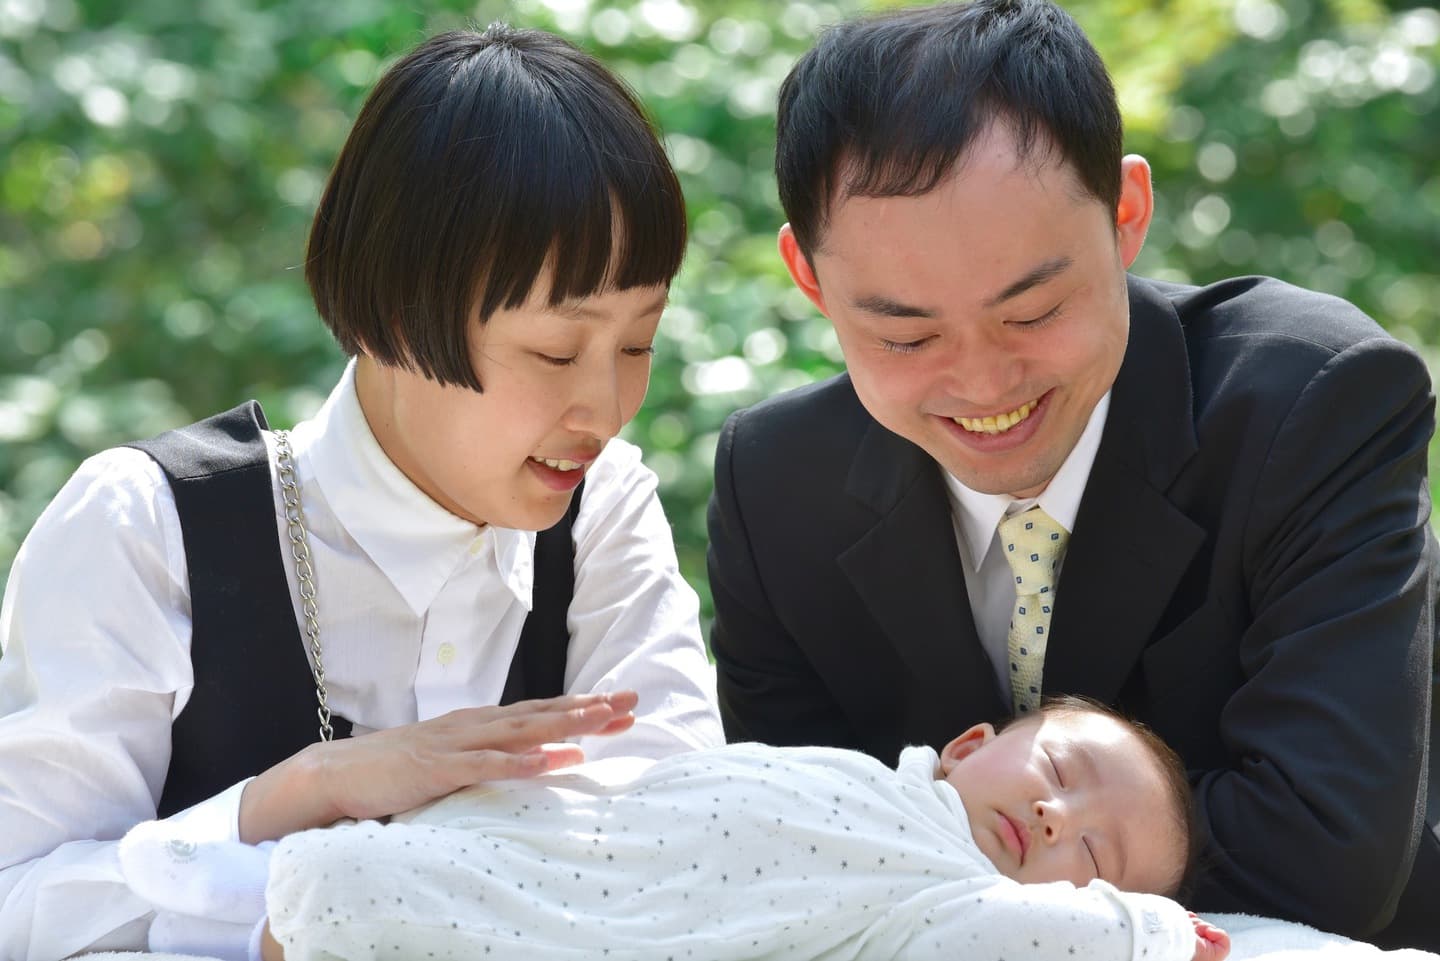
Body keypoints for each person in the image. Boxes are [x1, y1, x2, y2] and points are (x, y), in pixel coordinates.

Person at [706, 0, 1438, 950]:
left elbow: (1324, 854)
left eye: (1033, 312)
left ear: (1126, 214)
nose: (983, 384)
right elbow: (779, 859)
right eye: (907, 336)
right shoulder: (775, 487)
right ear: (809, 278)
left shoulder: (1311, 402)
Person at [0, 24, 722, 961]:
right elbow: (18, 904)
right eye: (556, 350)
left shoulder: (603, 512)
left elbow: (683, 844)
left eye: (637, 343)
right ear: (392, 317)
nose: (608, 407)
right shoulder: (148, 527)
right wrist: (293, 796)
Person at [226, 697, 1227, 961]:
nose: (1056, 816)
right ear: (967, 746)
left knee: (379, 896)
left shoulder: (951, 902)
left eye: (1093, 855)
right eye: (1060, 773)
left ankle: (335, 898)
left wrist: (1150, 933)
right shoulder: (865, 779)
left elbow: (1007, 936)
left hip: (629, 926)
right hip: (608, 841)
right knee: (534, 837)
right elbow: (681, 799)